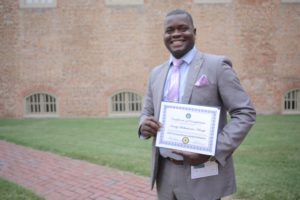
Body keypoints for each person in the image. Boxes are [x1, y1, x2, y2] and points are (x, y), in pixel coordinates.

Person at [138, 9, 256, 200]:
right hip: (165, 173)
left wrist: (212, 151)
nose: (176, 34)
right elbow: (147, 112)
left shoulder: (217, 66)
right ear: (164, 35)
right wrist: (143, 125)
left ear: (194, 32)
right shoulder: (156, 74)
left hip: (203, 174)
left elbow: (245, 113)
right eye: (170, 30)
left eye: (182, 28)